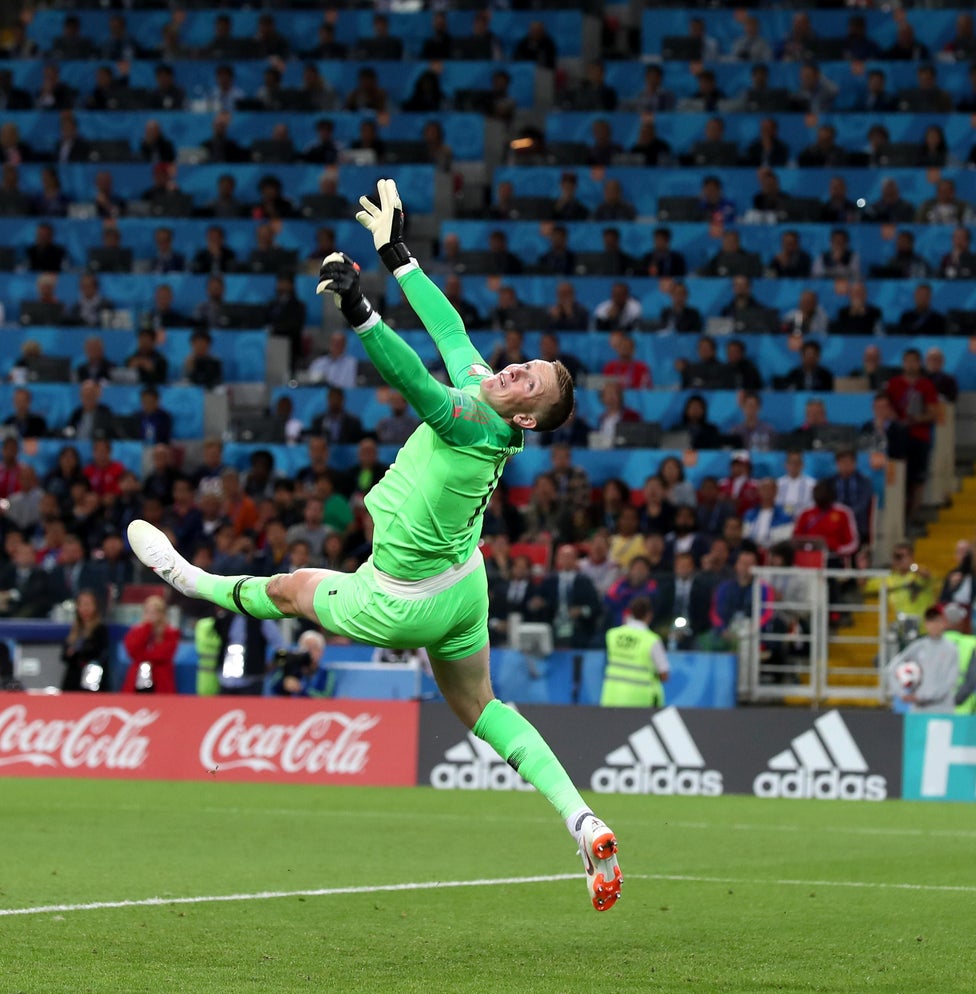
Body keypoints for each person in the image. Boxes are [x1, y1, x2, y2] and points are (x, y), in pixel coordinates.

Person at [127, 179, 622, 912]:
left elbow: (413, 380)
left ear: (527, 418)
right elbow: (450, 331)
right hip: (464, 585)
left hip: (401, 600)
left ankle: (187, 578)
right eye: (530, 366)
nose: (519, 370)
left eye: (532, 384)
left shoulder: (472, 423)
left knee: (294, 588)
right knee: (482, 707)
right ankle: (583, 821)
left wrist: (360, 309)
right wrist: (398, 255)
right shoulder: (490, 394)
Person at [886, 604, 974, 713]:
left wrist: (923, 696)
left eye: (937, 621)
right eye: (930, 621)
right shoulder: (918, 647)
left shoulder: (952, 649)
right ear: (926, 624)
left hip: (942, 709)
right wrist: (902, 693)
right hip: (919, 710)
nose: (934, 625)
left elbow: (950, 681)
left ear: (944, 623)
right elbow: (891, 669)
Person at [600, 597, 669, 708]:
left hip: (612, 696)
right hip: (640, 699)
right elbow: (664, 674)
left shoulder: (613, 634)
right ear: (649, 615)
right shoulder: (651, 640)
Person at [121, 595, 180, 693]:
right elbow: (133, 651)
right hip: (136, 681)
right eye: (148, 611)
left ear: (162, 614)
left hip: (161, 681)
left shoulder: (170, 633)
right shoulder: (136, 631)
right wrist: (147, 628)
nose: (152, 615)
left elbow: (162, 655)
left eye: (155, 612)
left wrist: (143, 655)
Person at [61, 588, 109, 691]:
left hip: (92, 677)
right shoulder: (74, 630)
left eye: (88, 604)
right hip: (73, 678)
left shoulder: (100, 629)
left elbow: (98, 652)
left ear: (95, 606)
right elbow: (64, 655)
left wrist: (77, 653)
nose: (85, 608)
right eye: (82, 604)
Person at [267, 630, 336, 698]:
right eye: (305, 647)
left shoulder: (327, 674)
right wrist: (283, 683)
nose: (309, 652)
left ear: (321, 652)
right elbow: (272, 688)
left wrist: (301, 689)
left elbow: (326, 697)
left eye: (314, 648)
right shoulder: (290, 667)